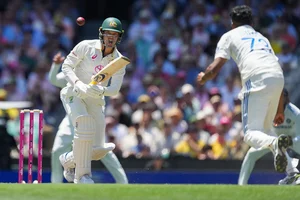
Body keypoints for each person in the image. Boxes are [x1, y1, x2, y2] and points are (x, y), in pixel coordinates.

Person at [197, 5, 293, 173]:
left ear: (232, 23)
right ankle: (293, 172)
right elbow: (274, 73)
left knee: (250, 134)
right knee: (268, 131)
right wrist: (280, 110)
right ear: (251, 22)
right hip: (278, 77)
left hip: (256, 78)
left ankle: (275, 144)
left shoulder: (229, 35)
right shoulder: (262, 37)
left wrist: (203, 77)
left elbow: (214, 69)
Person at [59, 17, 129, 184]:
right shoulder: (86, 46)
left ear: (119, 37)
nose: (111, 37)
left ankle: (68, 160)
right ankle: (83, 176)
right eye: (108, 34)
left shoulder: (118, 61)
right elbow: (66, 66)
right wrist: (77, 83)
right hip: (73, 94)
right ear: (101, 34)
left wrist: (100, 90)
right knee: (84, 125)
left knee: (97, 150)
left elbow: (115, 89)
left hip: (95, 99)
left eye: (115, 34)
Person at [238, 89, 300, 185]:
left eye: (280, 97)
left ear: (286, 98)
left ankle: (293, 175)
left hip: (293, 141)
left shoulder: (296, 113)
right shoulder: (267, 110)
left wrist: (289, 142)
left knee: (282, 144)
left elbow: (299, 135)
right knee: (251, 154)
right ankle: (241, 185)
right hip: (273, 141)